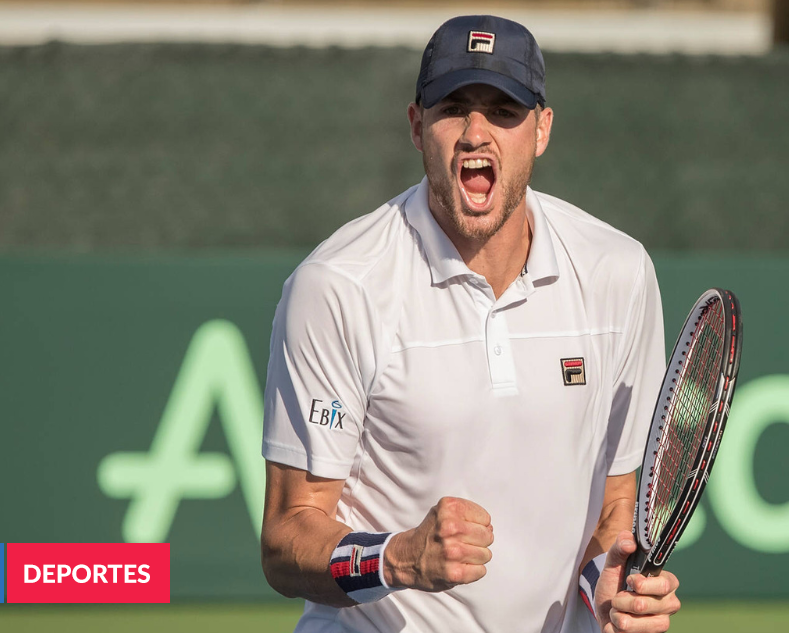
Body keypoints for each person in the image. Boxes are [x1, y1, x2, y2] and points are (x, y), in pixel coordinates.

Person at [260, 15, 681, 633]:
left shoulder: (618, 272)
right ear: (417, 126)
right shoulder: (336, 286)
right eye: (454, 108)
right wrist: (395, 558)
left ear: (541, 130)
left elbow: (614, 506)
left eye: (504, 110)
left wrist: (606, 591)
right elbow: (287, 537)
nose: (476, 133)